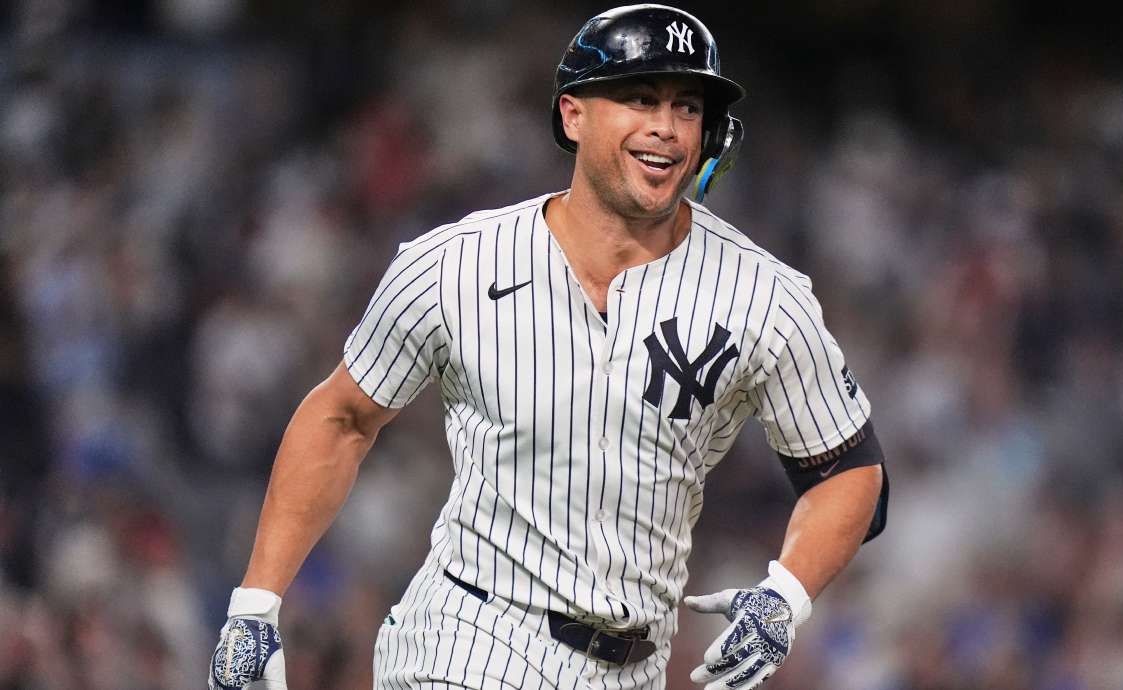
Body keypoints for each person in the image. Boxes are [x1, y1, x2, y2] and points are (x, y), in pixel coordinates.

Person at [208, 5, 887, 690]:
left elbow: (850, 471)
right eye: (638, 97)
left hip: (636, 666)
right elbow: (342, 417)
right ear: (573, 115)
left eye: (687, 106)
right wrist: (256, 604)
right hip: (465, 637)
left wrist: (785, 596)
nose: (666, 126)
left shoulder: (764, 296)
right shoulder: (457, 263)